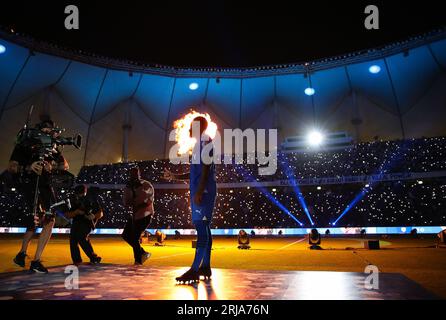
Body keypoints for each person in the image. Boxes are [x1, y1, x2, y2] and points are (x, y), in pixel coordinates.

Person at [10, 118, 69, 273]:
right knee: (34, 220)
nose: (47, 133)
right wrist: (29, 167)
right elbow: (12, 167)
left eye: (50, 131)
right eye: (45, 130)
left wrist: (53, 166)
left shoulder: (52, 146)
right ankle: (23, 254)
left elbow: (64, 165)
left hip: (46, 186)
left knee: (49, 220)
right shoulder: (25, 143)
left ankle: (33, 259)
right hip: (29, 185)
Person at [164, 116, 217, 283]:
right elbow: (195, 173)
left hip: (204, 192)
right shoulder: (198, 145)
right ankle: (205, 266)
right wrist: (175, 176)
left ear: (199, 126)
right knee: (205, 227)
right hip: (202, 190)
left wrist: (200, 191)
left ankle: (195, 269)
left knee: (201, 227)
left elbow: (206, 170)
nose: (187, 129)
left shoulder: (205, 142)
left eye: (191, 126)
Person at [122, 166, 154, 265]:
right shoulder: (128, 187)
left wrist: (136, 204)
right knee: (125, 235)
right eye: (132, 174)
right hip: (134, 216)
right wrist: (130, 191)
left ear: (139, 174)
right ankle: (143, 252)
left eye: (136, 173)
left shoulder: (146, 185)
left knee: (135, 237)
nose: (134, 176)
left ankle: (138, 261)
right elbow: (126, 202)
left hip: (145, 215)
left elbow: (148, 201)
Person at [65, 185, 103, 265]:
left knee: (81, 237)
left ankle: (93, 257)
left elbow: (100, 213)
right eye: (78, 194)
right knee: (73, 240)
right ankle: (77, 260)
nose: (79, 196)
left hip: (88, 222)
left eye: (81, 194)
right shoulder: (74, 200)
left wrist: (93, 216)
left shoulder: (92, 200)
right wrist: (76, 212)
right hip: (76, 222)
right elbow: (67, 215)